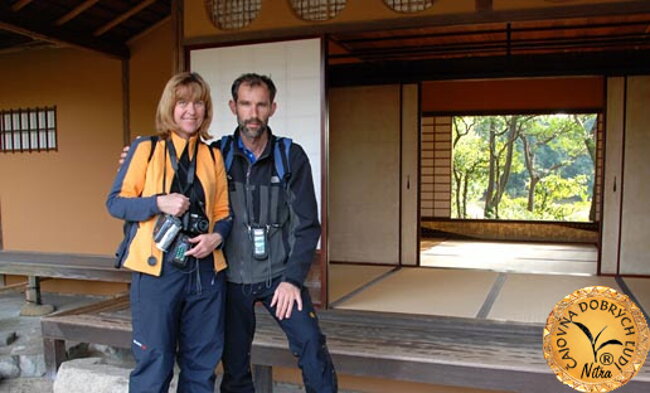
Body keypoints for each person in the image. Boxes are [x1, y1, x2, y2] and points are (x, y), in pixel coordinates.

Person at [107, 72, 231, 393]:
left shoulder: (212, 155)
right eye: (182, 102)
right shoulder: (146, 149)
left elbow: (223, 213)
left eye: (199, 102)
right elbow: (116, 203)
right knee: (154, 363)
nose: (191, 110)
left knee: (202, 366)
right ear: (170, 107)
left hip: (204, 270)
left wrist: (216, 237)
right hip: (157, 271)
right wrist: (158, 202)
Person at [218, 73, 337, 393]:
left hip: (279, 277)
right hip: (232, 279)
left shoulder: (290, 156)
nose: (253, 113)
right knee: (234, 361)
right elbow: (180, 180)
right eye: (245, 104)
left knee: (311, 344)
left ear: (272, 108)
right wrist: (141, 158)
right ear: (233, 107)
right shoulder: (217, 155)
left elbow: (308, 225)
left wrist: (292, 280)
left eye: (260, 105)